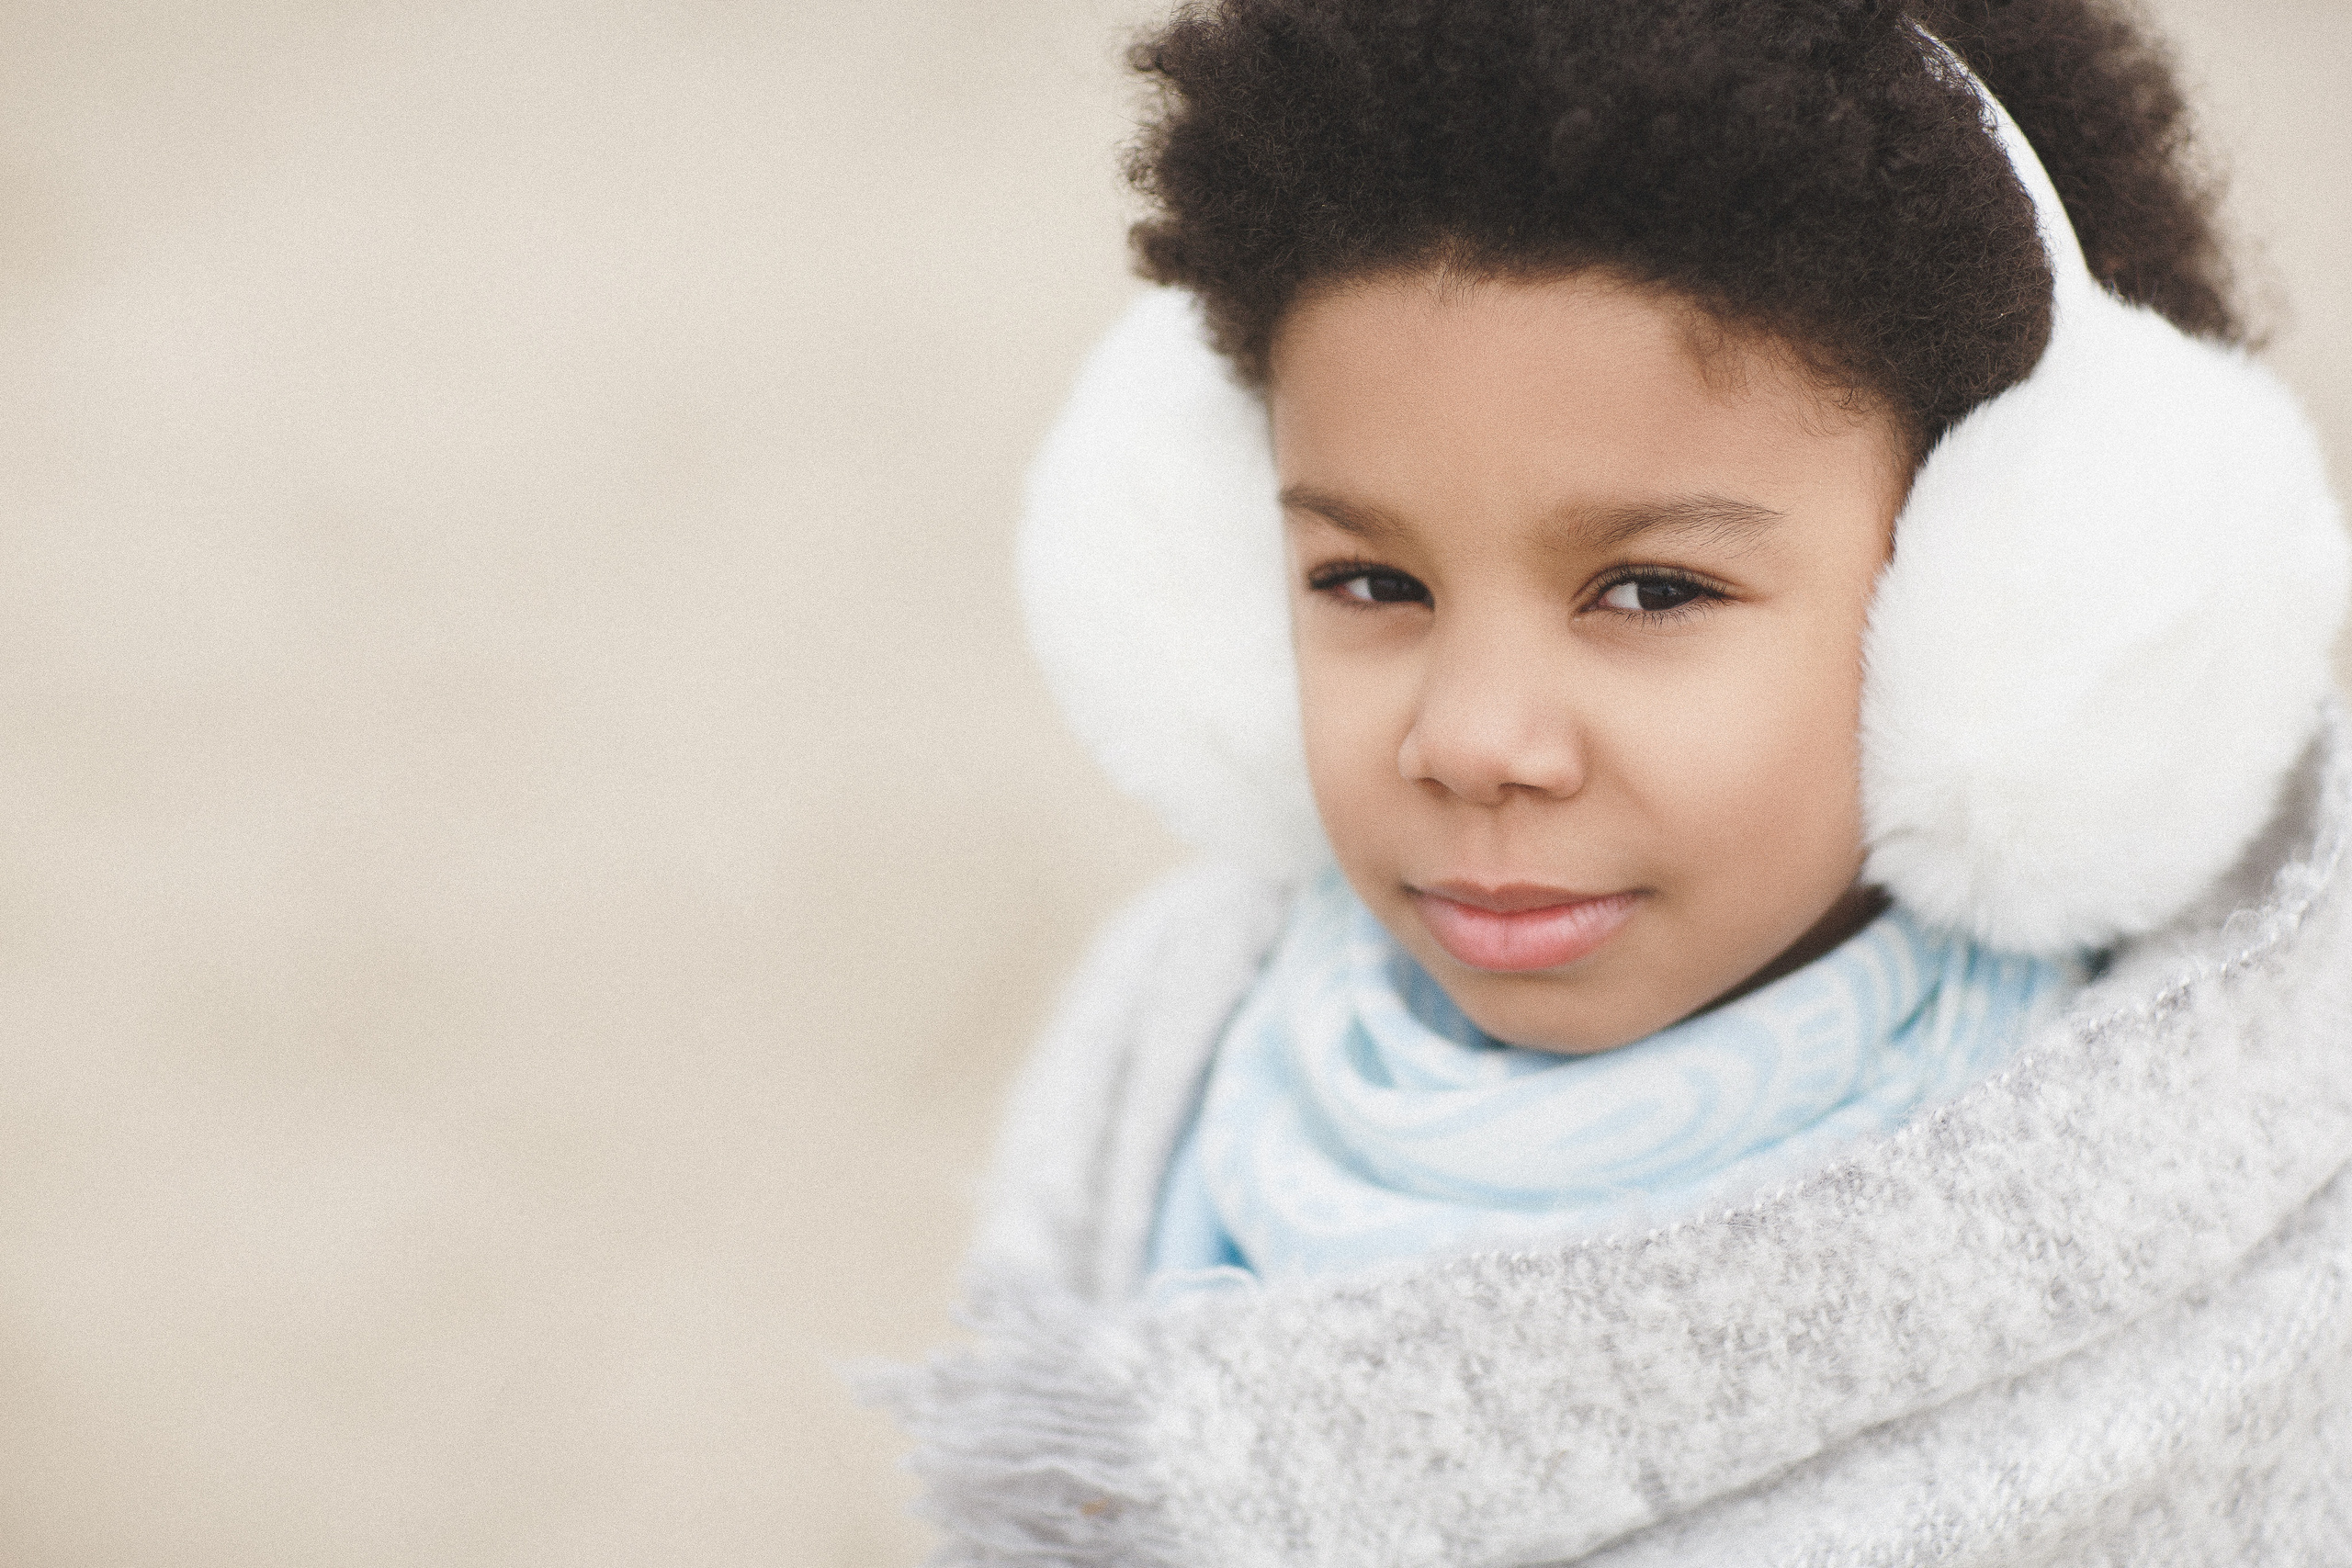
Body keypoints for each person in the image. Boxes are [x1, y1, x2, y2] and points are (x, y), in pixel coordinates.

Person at [879, 1, 2352, 1562]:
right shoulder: (1160, 1062)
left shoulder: (2266, 1307)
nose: (1473, 742)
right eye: (1372, 582)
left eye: (1650, 592)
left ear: (2018, 610)